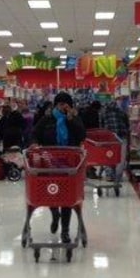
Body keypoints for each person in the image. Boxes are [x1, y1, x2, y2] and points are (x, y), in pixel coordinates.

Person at [31, 92, 86, 243]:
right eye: (60, 103)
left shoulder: (73, 118)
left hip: (70, 164)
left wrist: (72, 118)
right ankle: (55, 213)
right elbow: (35, 133)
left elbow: (82, 134)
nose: (63, 106)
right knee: (52, 192)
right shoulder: (47, 119)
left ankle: (65, 231)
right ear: (56, 104)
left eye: (66, 104)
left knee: (67, 197)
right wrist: (35, 143)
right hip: (49, 163)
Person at [100, 98, 131, 181]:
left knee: (108, 155)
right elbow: (127, 125)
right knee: (121, 157)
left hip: (108, 138)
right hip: (122, 136)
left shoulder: (103, 113)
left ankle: (109, 175)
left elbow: (101, 125)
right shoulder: (121, 112)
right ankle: (118, 175)